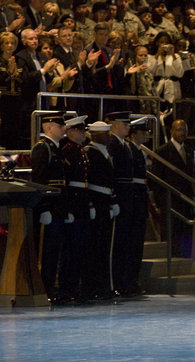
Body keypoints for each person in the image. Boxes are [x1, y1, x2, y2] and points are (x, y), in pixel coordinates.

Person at [30, 111, 71, 304]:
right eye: (59, 125)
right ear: (48, 127)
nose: (64, 128)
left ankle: (52, 287)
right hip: (49, 208)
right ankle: (44, 289)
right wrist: (44, 207)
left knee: (56, 251)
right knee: (46, 252)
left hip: (59, 207)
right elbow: (39, 180)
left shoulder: (57, 148)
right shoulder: (42, 149)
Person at [83, 121, 119, 301]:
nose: (109, 136)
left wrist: (112, 201)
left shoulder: (106, 152)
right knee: (94, 247)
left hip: (105, 202)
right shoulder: (90, 153)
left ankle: (102, 286)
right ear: (96, 135)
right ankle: (92, 287)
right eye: (106, 134)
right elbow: (87, 180)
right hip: (96, 202)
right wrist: (90, 204)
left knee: (104, 246)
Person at [151, 119, 195, 258]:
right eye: (179, 129)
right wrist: (160, 202)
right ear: (172, 131)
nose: (182, 133)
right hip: (170, 201)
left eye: (185, 130)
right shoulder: (162, 151)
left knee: (186, 234)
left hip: (186, 201)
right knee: (171, 235)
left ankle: (186, 262)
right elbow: (156, 179)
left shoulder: (188, 150)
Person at [60, 114, 90, 303]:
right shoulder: (67, 151)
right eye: (79, 130)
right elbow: (66, 182)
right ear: (70, 131)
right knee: (70, 250)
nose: (83, 133)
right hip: (74, 202)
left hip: (82, 203)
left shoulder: (80, 150)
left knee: (80, 250)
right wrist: (68, 208)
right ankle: (65, 289)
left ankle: (74, 287)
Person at [105, 111, 134, 296]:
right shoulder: (112, 144)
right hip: (119, 195)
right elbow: (111, 174)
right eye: (124, 124)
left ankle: (123, 282)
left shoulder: (124, 145)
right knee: (116, 245)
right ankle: (114, 282)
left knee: (125, 243)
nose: (128, 127)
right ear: (114, 125)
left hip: (127, 197)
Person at [127, 116, 149, 296]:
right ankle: (129, 281)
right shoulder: (130, 150)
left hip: (140, 200)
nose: (146, 135)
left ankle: (133, 280)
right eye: (143, 132)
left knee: (137, 245)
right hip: (134, 199)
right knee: (131, 244)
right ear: (134, 134)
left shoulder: (139, 151)